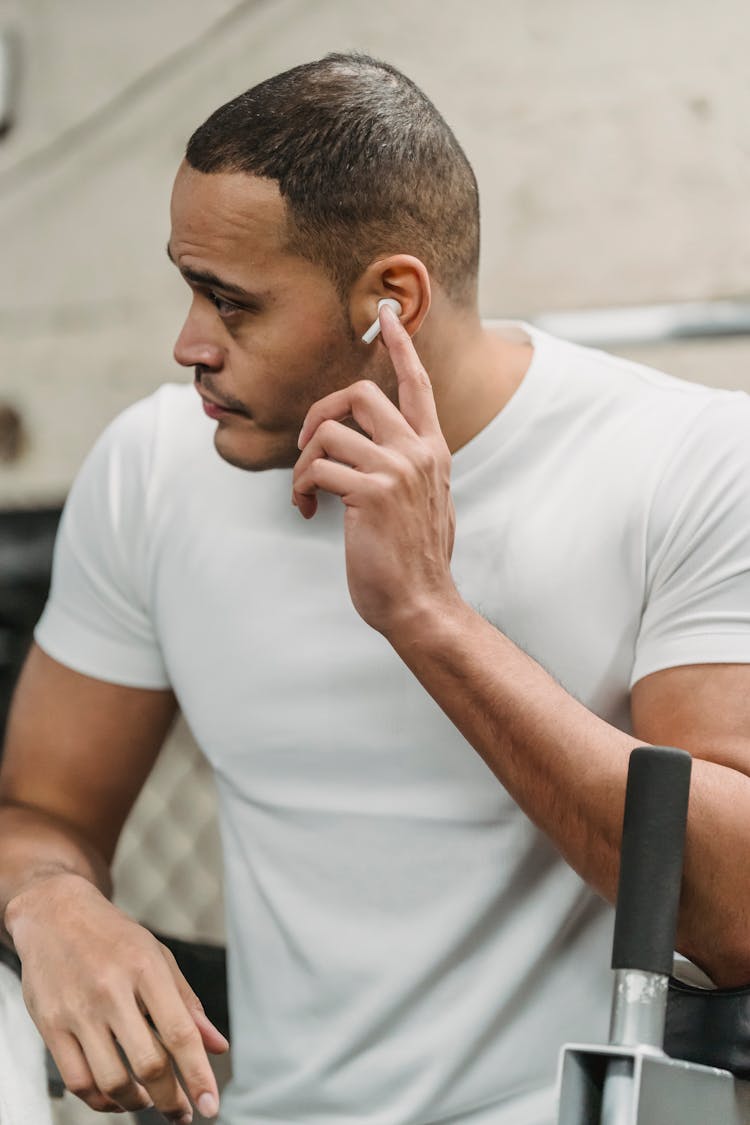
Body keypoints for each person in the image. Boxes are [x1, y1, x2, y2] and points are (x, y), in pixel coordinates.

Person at [2, 51, 750, 1125]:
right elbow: (40, 809)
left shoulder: (689, 459)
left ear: (389, 300)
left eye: (232, 302)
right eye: (188, 286)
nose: (189, 345)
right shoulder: (151, 468)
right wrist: (53, 900)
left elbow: (733, 913)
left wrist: (428, 616)